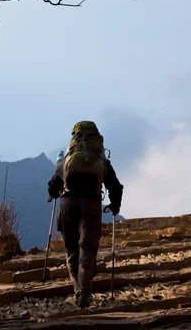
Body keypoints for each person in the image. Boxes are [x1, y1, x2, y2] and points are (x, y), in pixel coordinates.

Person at [47, 121, 123, 308]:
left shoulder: (66, 159)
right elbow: (115, 186)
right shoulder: (100, 159)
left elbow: (54, 187)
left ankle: (79, 289)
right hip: (91, 204)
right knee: (88, 249)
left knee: (72, 249)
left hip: (67, 204)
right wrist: (115, 206)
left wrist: (53, 193)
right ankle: (85, 292)